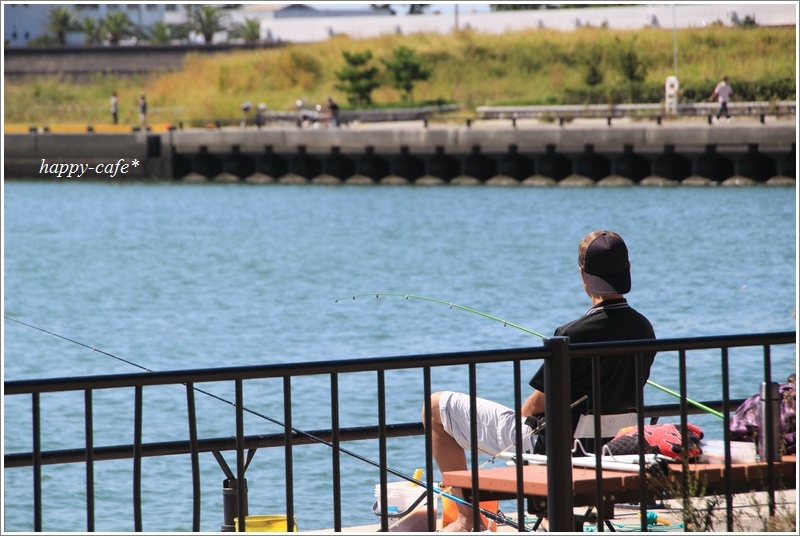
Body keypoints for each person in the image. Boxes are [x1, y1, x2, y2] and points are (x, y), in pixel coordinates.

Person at [425, 230, 656, 532]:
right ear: (627, 271)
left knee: (435, 407)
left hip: (555, 447)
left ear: (583, 274)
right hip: (609, 447)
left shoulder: (573, 332)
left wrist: (517, 424)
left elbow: (536, 405)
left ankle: (469, 521)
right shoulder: (644, 328)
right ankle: (549, 516)